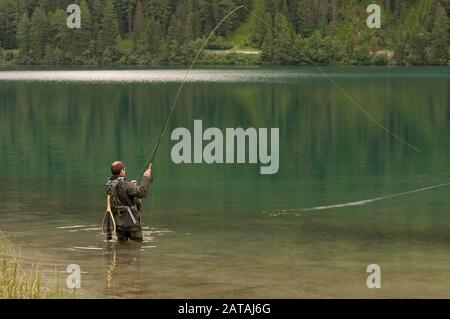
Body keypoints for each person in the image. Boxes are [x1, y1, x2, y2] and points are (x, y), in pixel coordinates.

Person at [105, 161, 152, 242]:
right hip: (131, 223)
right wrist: (146, 177)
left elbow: (122, 196)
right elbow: (142, 193)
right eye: (124, 169)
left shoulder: (109, 185)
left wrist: (132, 185)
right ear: (122, 171)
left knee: (122, 245)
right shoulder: (126, 185)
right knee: (138, 244)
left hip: (117, 223)